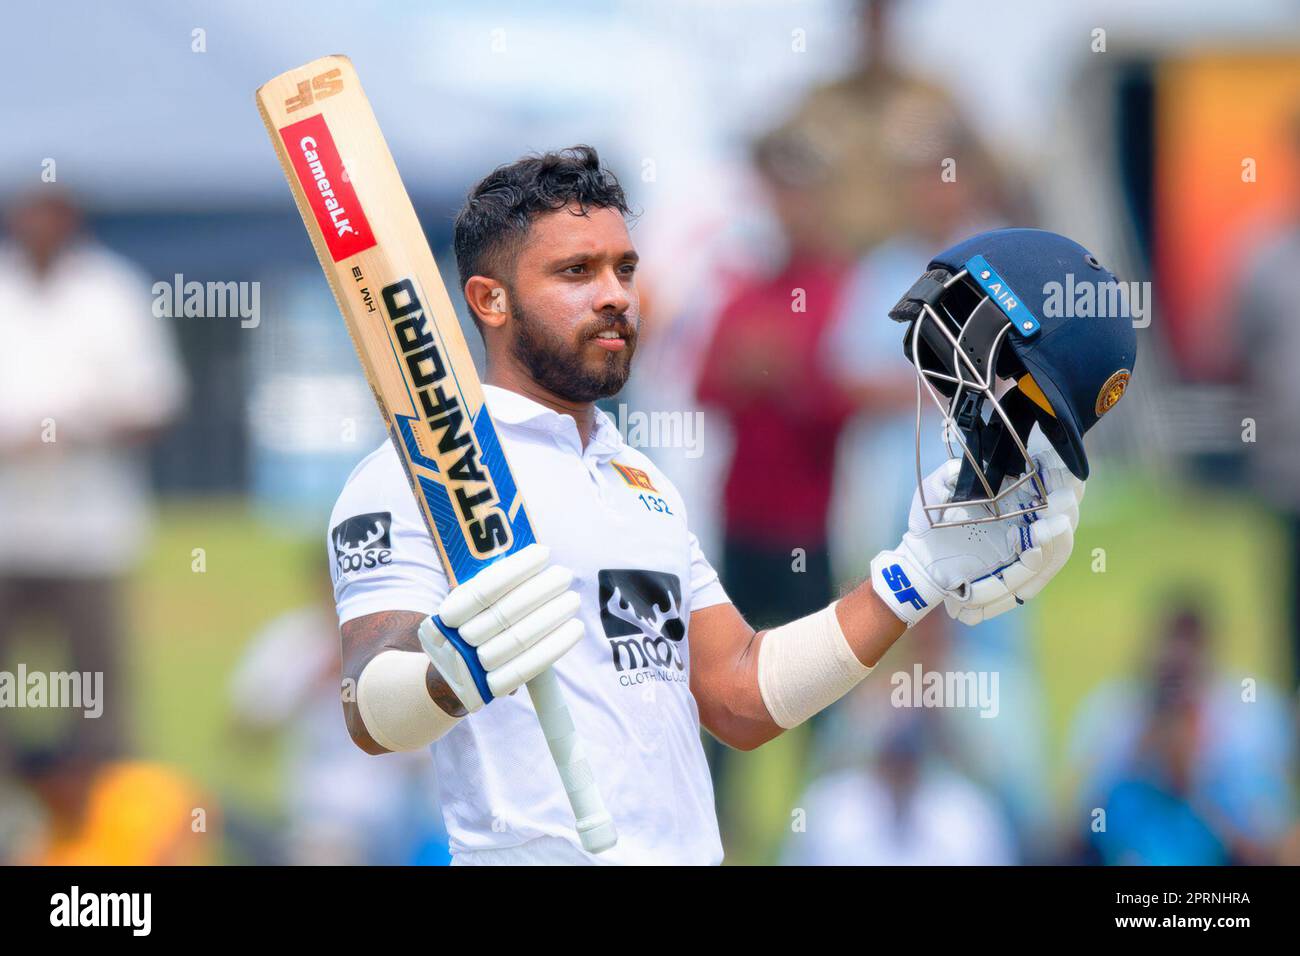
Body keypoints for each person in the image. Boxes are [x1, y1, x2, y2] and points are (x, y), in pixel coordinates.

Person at [326, 147, 1094, 865]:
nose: (616, 296)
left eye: (624, 268)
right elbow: (367, 708)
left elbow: (739, 695)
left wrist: (916, 574)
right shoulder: (415, 473)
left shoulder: (641, 484)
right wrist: (447, 673)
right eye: (575, 272)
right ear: (490, 300)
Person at [0, 189, 187, 767]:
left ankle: (102, 809)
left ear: (71, 219)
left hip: (88, 527)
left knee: (96, 688)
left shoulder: (110, 292)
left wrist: (77, 430)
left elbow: (155, 402)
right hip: (7, 525)